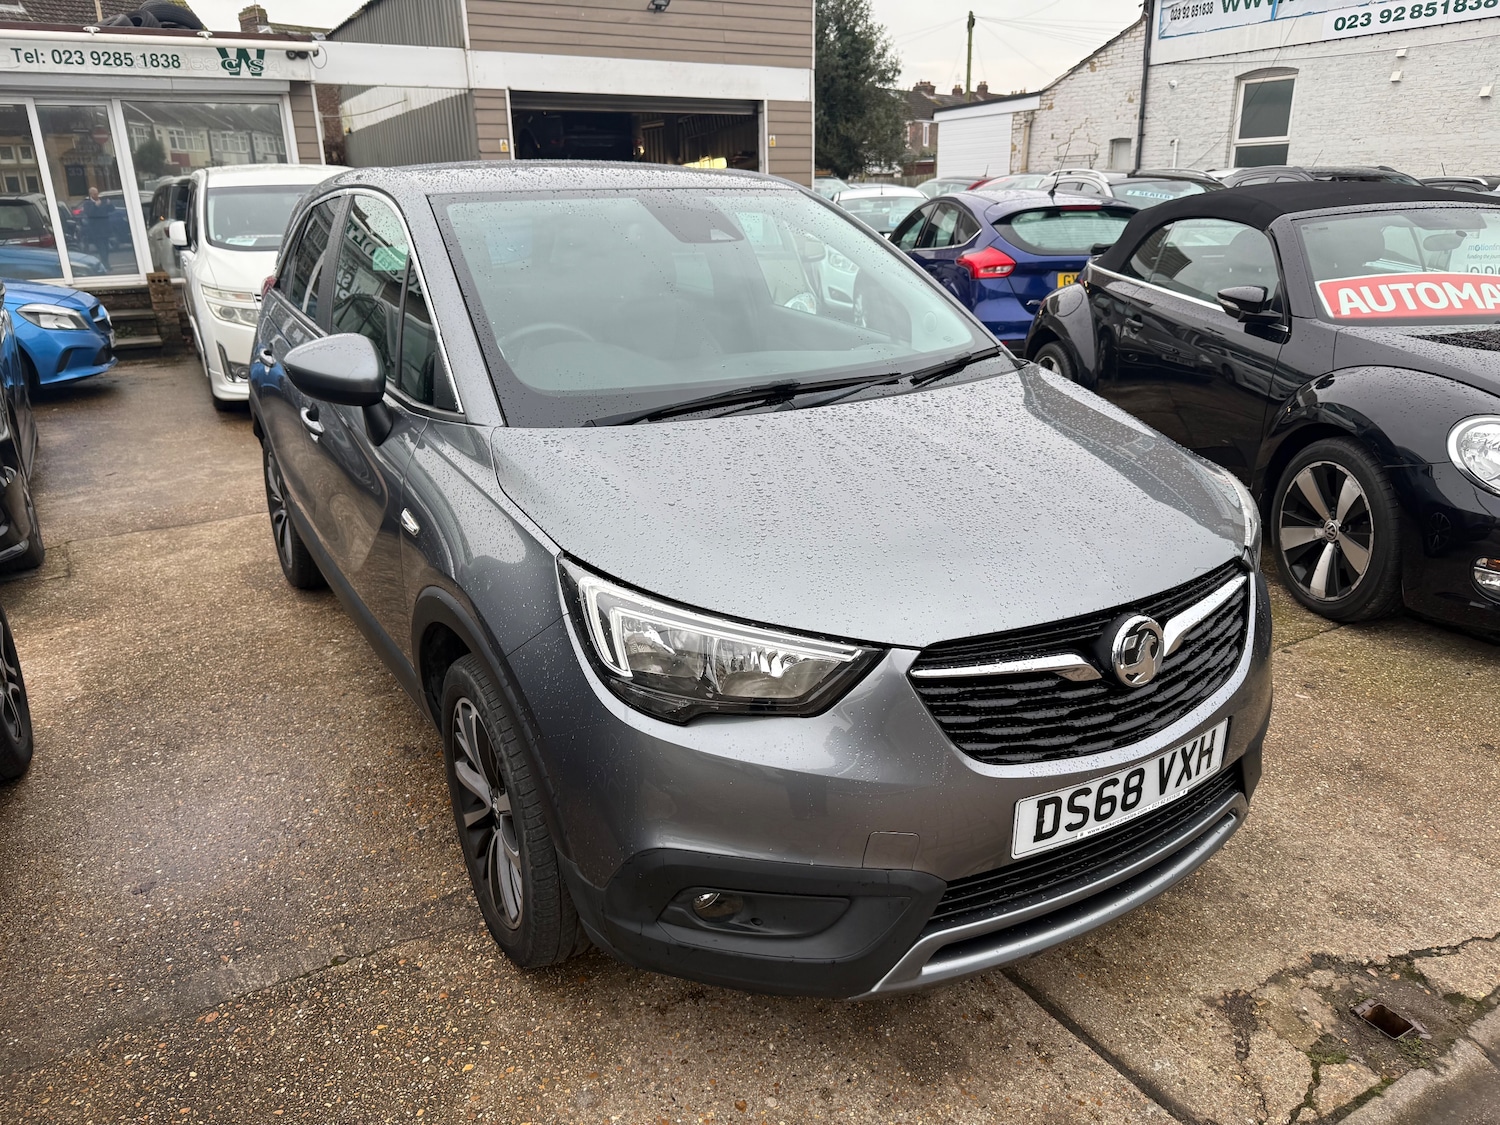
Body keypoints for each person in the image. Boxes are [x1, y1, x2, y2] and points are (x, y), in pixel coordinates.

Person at [78, 186, 114, 270]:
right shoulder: (87, 203)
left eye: (97, 193)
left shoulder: (103, 201)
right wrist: (95, 206)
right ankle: (105, 265)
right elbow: (89, 214)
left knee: (107, 248)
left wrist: (110, 204)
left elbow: (112, 209)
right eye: (94, 194)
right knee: (102, 249)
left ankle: (106, 263)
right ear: (91, 194)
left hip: (105, 229)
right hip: (96, 231)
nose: (96, 195)